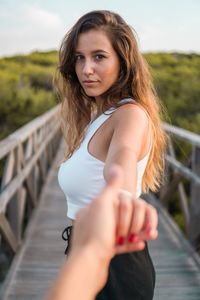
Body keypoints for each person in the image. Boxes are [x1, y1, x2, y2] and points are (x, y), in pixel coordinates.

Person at [55, 10, 167, 300]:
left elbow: (123, 158)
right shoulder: (101, 115)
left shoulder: (130, 115)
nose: (86, 69)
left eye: (99, 57)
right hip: (90, 255)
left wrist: (121, 194)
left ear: (123, 62)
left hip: (117, 267)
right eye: (79, 57)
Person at [46, 165, 158, 300]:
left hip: (118, 265)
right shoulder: (81, 143)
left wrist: (123, 195)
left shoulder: (125, 141)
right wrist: (89, 252)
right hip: (88, 251)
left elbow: (124, 154)